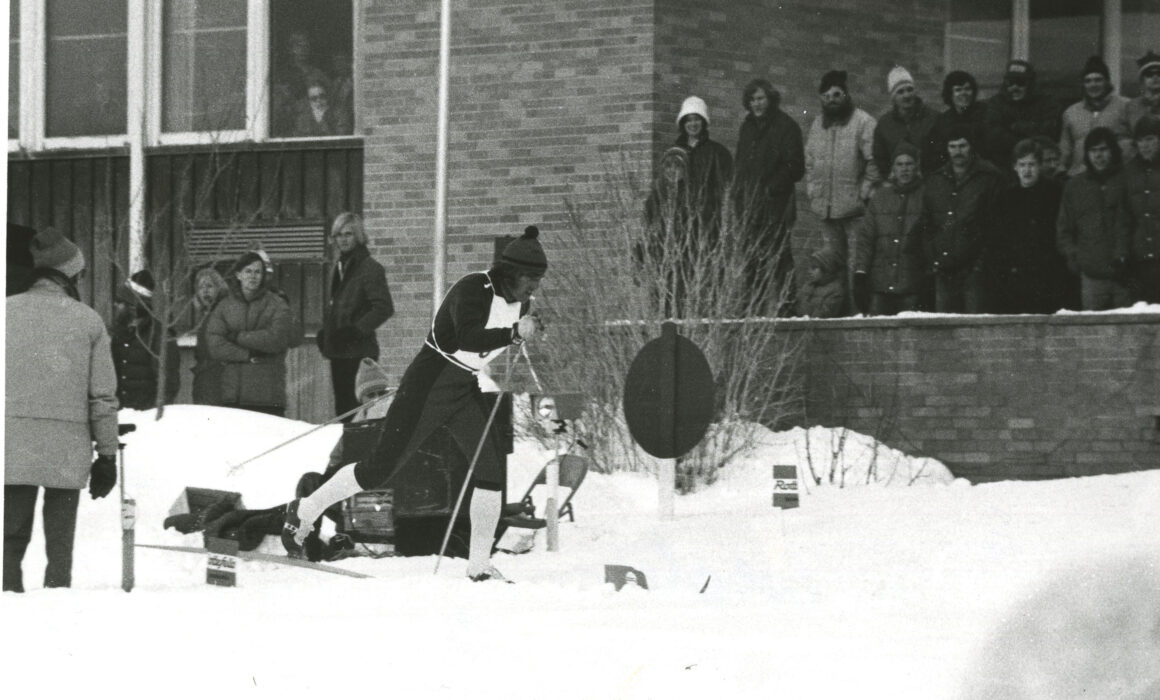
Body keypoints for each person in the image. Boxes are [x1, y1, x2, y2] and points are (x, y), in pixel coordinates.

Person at [284, 226, 547, 582]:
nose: (534, 287)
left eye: (538, 280)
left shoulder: (522, 303)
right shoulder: (474, 288)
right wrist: (513, 334)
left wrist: (523, 330)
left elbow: (493, 342)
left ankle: (479, 566)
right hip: (430, 383)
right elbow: (462, 339)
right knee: (379, 469)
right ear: (511, 273)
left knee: (490, 469)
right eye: (530, 278)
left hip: (463, 387)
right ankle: (306, 509)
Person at [4, 228, 120, 592]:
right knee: (60, 542)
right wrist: (107, 455)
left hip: (12, 442)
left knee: (8, 537)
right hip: (68, 447)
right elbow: (102, 397)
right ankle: (58, 602)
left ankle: (6, 602)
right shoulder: (88, 321)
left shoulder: (5, 311)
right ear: (71, 274)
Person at [805, 69, 880, 314]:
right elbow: (810, 161)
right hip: (826, 210)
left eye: (836, 94)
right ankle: (837, 316)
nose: (831, 100)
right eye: (826, 96)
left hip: (854, 211)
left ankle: (857, 314)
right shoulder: (818, 124)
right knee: (831, 268)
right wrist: (813, 190)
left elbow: (874, 161)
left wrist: (864, 193)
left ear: (845, 95)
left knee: (854, 266)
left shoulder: (863, 122)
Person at [733, 78, 805, 314]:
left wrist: (771, 188)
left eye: (761, 98)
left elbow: (795, 166)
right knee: (752, 259)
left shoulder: (786, 126)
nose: (757, 104)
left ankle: (787, 309)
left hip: (776, 204)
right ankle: (753, 310)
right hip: (749, 204)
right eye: (753, 99)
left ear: (770, 99)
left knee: (779, 259)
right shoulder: (748, 127)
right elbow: (741, 164)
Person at [317, 212, 395, 421]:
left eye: (348, 234)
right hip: (340, 353)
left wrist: (355, 331)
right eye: (338, 235)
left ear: (358, 236)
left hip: (359, 353)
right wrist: (327, 335)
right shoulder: (340, 267)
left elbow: (383, 307)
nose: (343, 239)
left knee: (358, 413)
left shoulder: (369, 268)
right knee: (343, 412)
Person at [921, 126, 1004, 313]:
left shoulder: (989, 177)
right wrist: (933, 257)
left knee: (974, 327)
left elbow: (995, 224)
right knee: (943, 326)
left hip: (975, 268)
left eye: (962, 146)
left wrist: (980, 262)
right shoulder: (936, 180)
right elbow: (927, 223)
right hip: (943, 267)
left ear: (971, 147)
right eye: (952, 146)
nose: (957, 151)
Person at [205, 251, 295, 416]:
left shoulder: (277, 304)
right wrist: (246, 355)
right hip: (233, 395)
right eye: (248, 271)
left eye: (257, 272)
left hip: (267, 394)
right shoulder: (224, 306)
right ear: (238, 275)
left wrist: (237, 337)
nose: (253, 276)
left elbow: (277, 338)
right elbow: (215, 344)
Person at [986, 139, 1068, 314]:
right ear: (1014, 167)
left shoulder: (1055, 193)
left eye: (1032, 164)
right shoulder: (1005, 198)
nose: (1027, 170)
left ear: (1040, 166)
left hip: (1047, 273)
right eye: (1022, 165)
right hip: (1016, 274)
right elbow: (998, 237)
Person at [1056, 127, 1132, 311]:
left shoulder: (1127, 180)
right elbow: (1064, 229)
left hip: (1126, 275)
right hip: (1091, 276)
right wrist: (1075, 258)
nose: (1098, 156)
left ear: (1113, 151)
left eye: (1103, 150)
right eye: (1093, 151)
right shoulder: (1075, 186)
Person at [853, 142, 926, 315]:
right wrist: (861, 271)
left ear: (916, 167)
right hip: (881, 284)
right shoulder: (880, 198)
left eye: (909, 164)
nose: (904, 169)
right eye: (900, 164)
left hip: (912, 283)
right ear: (893, 167)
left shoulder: (925, 196)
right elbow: (866, 238)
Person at [110, 269, 181, 411]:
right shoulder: (118, 334)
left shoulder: (161, 336)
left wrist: (153, 413)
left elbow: (168, 385)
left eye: (120, 302)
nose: (115, 305)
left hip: (146, 416)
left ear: (133, 305)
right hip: (121, 414)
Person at [1059, 56, 1133, 177]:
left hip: (1116, 177)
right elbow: (1065, 149)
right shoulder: (1071, 113)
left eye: (1098, 80)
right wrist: (1061, 169)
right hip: (1080, 177)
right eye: (1088, 81)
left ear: (1107, 82)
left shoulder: (1126, 106)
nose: (1093, 85)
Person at [641, 146, 692, 317]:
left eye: (677, 166)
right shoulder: (655, 198)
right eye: (668, 166)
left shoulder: (692, 196)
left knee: (684, 306)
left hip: (686, 260)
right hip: (660, 259)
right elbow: (646, 230)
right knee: (661, 306)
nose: (672, 170)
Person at [984, 60, 1060, 169]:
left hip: (1037, 166)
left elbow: (1049, 133)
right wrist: (1029, 132)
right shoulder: (996, 103)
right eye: (1010, 82)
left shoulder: (1046, 103)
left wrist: (1016, 127)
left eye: (1020, 82)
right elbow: (994, 138)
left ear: (1030, 84)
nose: (1015, 87)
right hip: (1004, 166)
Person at [871, 65, 940, 182]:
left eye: (909, 89)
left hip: (929, 184)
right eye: (900, 92)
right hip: (898, 186)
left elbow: (941, 154)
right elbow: (880, 157)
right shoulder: (884, 124)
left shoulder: (933, 118)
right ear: (893, 97)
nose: (906, 95)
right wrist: (890, 179)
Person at [1123, 114, 1160, 303]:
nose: (1145, 145)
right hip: (1139, 258)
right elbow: (1124, 218)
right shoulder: (1128, 172)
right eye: (1140, 141)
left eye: (1150, 139)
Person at [930, 71, 987, 172]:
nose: (963, 93)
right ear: (950, 94)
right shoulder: (943, 121)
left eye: (967, 89)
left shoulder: (985, 114)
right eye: (958, 90)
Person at [190, 267, 228, 405]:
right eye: (201, 287)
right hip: (204, 382)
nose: (205, 290)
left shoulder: (224, 314)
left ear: (219, 289)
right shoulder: (204, 316)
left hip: (219, 384)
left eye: (209, 286)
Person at [797, 247, 844, 318]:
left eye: (814, 268)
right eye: (809, 268)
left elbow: (821, 316)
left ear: (826, 269)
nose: (809, 272)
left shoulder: (836, 292)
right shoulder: (808, 286)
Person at [1126, 50, 1160, 133]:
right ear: (1142, 80)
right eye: (1149, 74)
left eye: (1159, 73)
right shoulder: (1132, 106)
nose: (1155, 77)